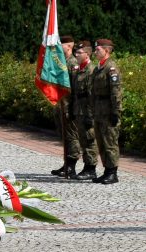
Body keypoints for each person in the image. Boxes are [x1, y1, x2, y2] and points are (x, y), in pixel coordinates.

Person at [90, 38, 122, 185]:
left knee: (110, 142)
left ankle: (112, 172)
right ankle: (106, 170)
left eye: (98, 49)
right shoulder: (98, 68)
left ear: (107, 51)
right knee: (101, 142)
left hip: (108, 111)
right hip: (98, 110)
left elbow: (116, 92)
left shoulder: (111, 68)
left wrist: (116, 111)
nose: (95, 52)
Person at [50, 35, 80, 179]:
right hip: (60, 105)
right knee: (64, 135)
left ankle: (71, 166)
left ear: (69, 46)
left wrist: (73, 108)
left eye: (61, 44)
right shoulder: (62, 62)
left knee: (71, 136)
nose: (59, 46)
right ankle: (66, 163)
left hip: (69, 105)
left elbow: (74, 88)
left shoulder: (73, 63)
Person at [69, 40, 99, 181]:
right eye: (76, 52)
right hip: (79, 110)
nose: (76, 54)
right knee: (83, 140)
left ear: (87, 54)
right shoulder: (79, 69)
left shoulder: (91, 70)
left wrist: (90, 115)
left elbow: (91, 95)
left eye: (79, 53)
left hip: (87, 111)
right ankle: (86, 167)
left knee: (89, 140)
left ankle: (91, 168)